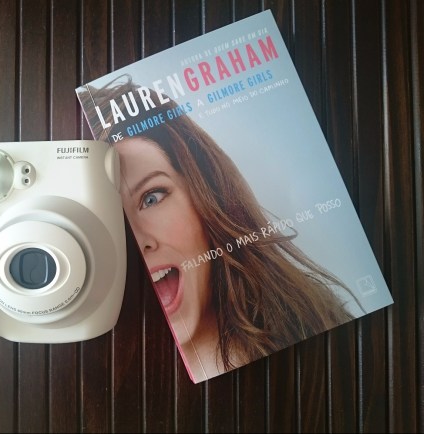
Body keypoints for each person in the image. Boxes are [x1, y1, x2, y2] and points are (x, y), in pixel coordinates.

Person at [78, 75, 363, 380]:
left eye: (152, 197)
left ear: (203, 195)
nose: (139, 241)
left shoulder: (324, 332)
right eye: (112, 218)